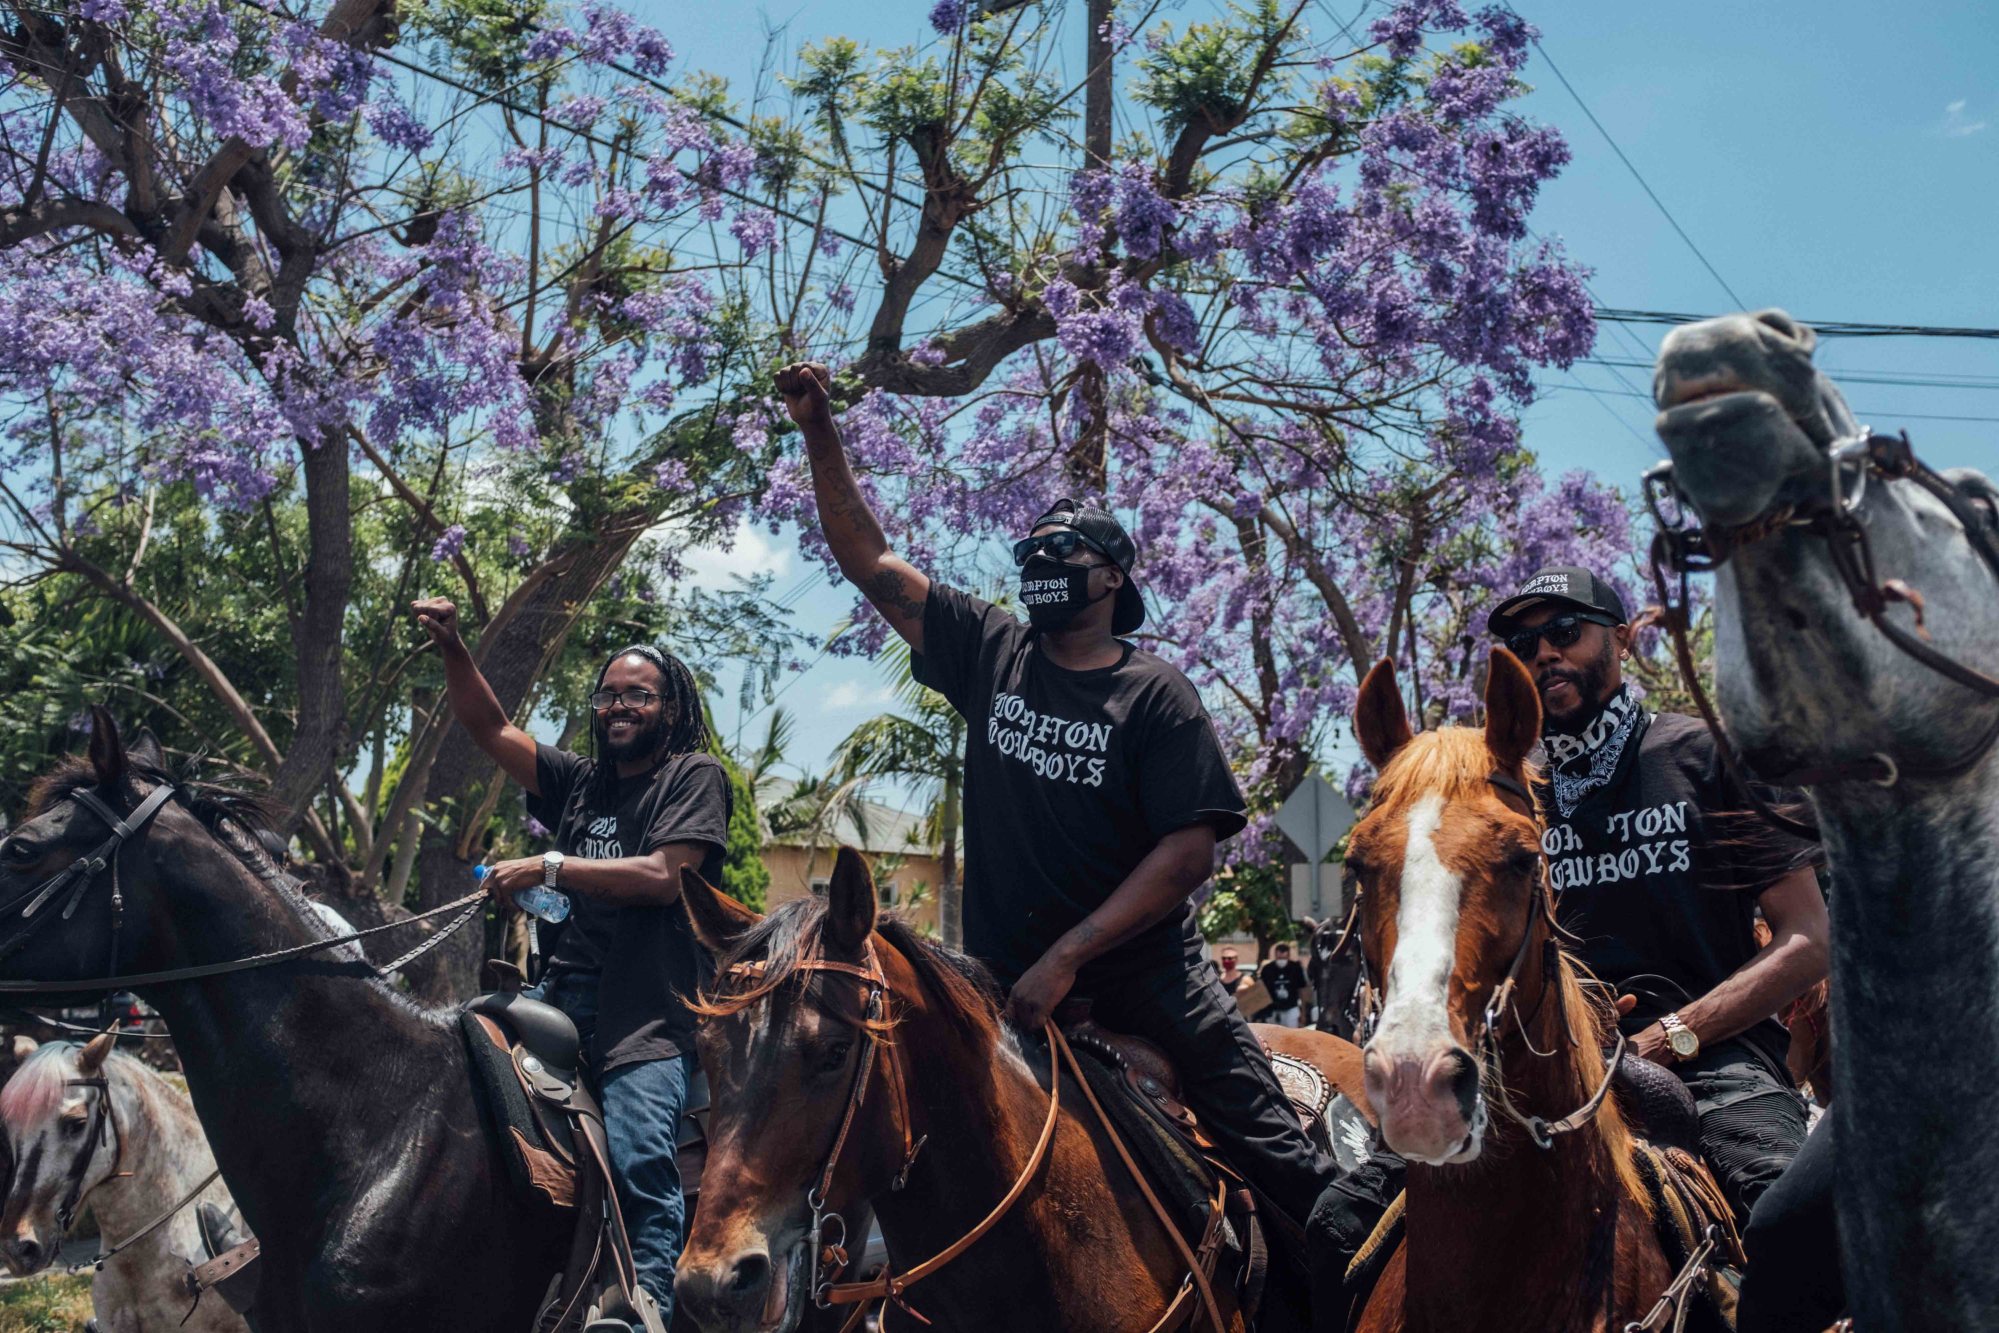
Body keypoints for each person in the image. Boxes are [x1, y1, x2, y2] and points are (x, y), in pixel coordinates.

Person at [775, 360, 1334, 1233]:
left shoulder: (1157, 694)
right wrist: (819, 431)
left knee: (1298, 1180)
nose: (1038, 558)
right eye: (1029, 547)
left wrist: (1070, 955)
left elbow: (1188, 852)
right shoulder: (990, 648)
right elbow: (868, 558)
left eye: (1062, 549)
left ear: (1112, 577)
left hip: (1147, 981)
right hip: (993, 983)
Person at [1485, 565, 1831, 1219]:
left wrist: (1667, 1036)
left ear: (1620, 640)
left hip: (1714, 1063)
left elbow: (1808, 939)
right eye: (1524, 646)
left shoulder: (1711, 754)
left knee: (1788, 1223)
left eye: (1563, 631)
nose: (1544, 653)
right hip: (1540, 1067)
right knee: (1347, 1215)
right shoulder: (1507, 793)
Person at [413, 599, 725, 1320]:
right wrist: (456, 646)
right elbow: (489, 727)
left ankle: (644, 1308)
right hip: (556, 996)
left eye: (638, 694)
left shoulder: (692, 775)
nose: (619, 704)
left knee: (643, 1157)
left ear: (670, 707)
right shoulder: (584, 781)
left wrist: (551, 864)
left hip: (647, 1013)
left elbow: (665, 876)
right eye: (609, 693)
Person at [1258, 942, 1308, 1028]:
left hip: (1291, 1009)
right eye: (1279, 957)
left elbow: (1302, 990)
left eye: (1284, 958)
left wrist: (1303, 1012)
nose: (1281, 960)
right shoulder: (1267, 969)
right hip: (1273, 1010)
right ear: (1275, 956)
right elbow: (1261, 991)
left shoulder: (1296, 968)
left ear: (1288, 956)